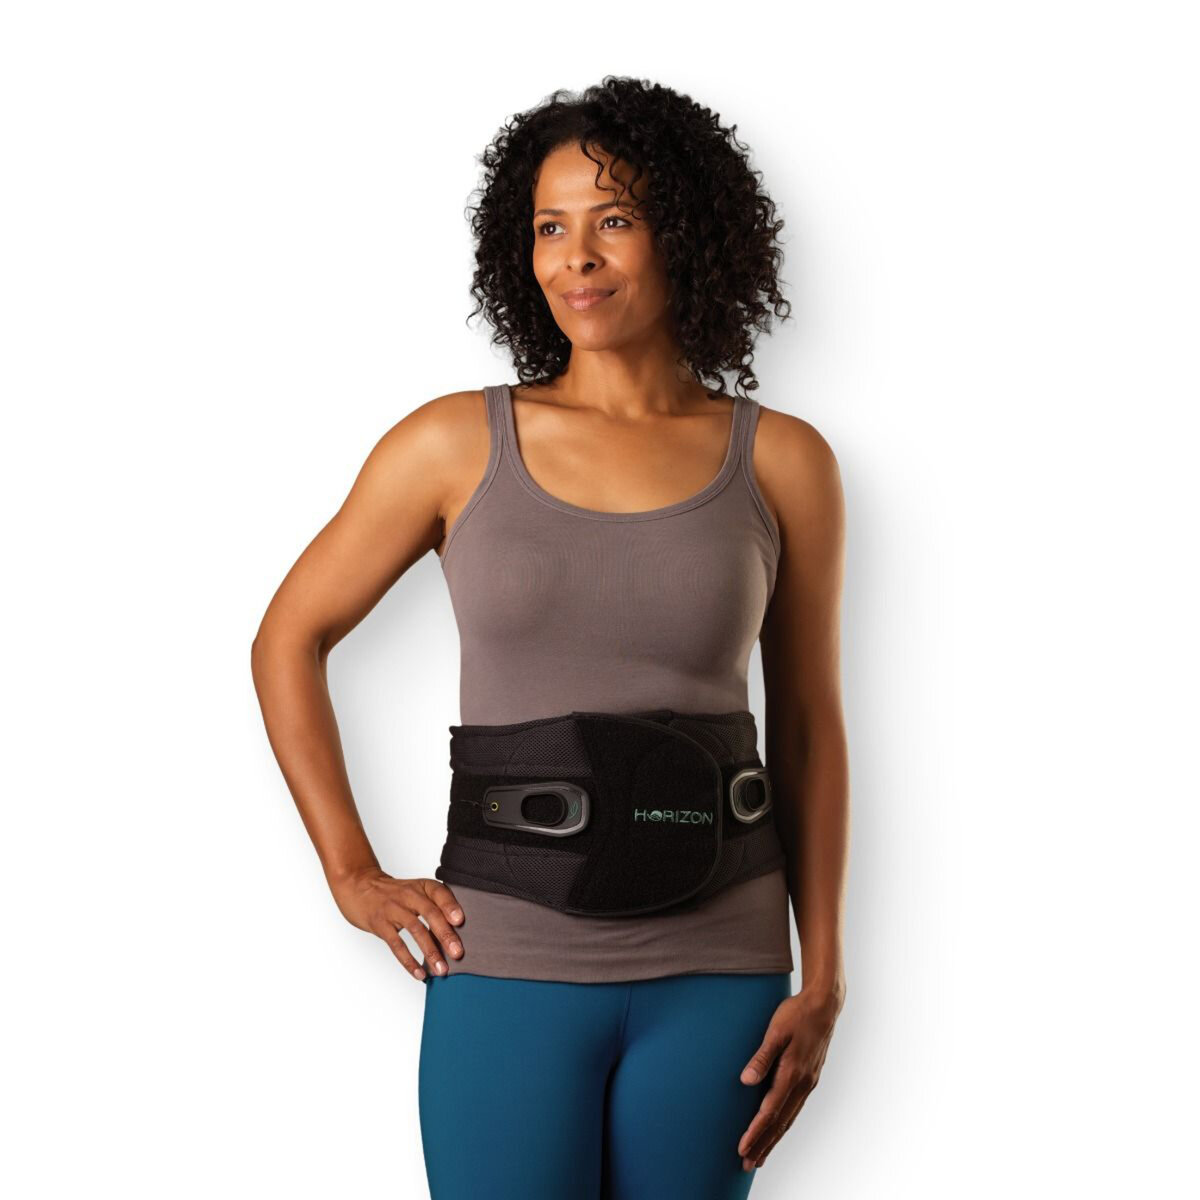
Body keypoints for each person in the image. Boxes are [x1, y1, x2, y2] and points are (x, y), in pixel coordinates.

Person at [251, 75, 849, 1200]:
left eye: (614, 220)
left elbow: (809, 720)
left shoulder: (783, 461)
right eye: (549, 227)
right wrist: (351, 873)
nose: (578, 257)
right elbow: (289, 637)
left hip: (721, 968)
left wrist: (824, 976)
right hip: (508, 958)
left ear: (685, 232)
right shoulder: (451, 445)